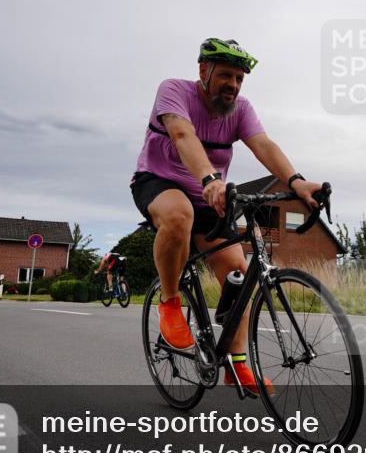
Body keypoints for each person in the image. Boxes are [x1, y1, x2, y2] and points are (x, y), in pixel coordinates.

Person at [131, 38, 323, 396]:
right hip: (159, 182)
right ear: (204, 71)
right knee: (178, 214)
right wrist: (208, 179)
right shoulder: (173, 90)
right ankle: (170, 302)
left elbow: (263, 145)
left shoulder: (241, 109)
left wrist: (297, 182)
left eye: (239, 79)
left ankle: (236, 365)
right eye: (226, 76)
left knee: (239, 274)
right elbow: (182, 133)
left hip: (210, 197)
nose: (233, 85)